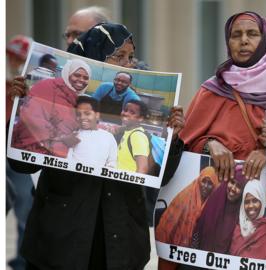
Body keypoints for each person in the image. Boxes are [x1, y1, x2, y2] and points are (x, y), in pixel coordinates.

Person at [9, 22, 184, 269]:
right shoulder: (55, 99)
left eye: (131, 57)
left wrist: (173, 137)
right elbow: (19, 164)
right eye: (119, 57)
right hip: (60, 240)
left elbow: (161, 176)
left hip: (119, 243)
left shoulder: (134, 112)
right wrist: (21, 108)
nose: (129, 64)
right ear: (93, 58)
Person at [169, 11, 266, 270]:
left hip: (265, 225)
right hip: (214, 222)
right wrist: (211, 145)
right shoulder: (211, 91)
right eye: (236, 35)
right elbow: (184, 145)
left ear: (265, 40)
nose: (243, 41)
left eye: (252, 34)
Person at [11, 58, 91, 157]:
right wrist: (62, 137)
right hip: (28, 150)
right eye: (77, 75)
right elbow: (32, 117)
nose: (81, 80)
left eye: (86, 78)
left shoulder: (78, 99)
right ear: (67, 74)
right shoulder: (48, 86)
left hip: (54, 156)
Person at [6, 34, 34, 270]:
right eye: (13, 58)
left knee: (24, 207)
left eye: (21, 59)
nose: (16, 64)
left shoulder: (30, 87)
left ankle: (24, 261)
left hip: (17, 149)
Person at [155, 166, 220, 247]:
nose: (205, 186)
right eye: (204, 181)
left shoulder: (215, 203)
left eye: (210, 183)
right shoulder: (184, 197)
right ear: (199, 181)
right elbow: (168, 225)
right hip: (176, 245)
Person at [66, 95, 118, 167]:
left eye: (87, 114)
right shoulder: (73, 135)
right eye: (78, 114)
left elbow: (112, 162)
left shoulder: (108, 137)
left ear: (97, 115)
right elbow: (67, 160)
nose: (82, 117)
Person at [116, 100, 151, 174]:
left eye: (132, 112)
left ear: (140, 118)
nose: (126, 113)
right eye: (125, 110)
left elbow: (142, 169)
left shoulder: (137, 136)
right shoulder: (128, 132)